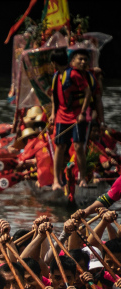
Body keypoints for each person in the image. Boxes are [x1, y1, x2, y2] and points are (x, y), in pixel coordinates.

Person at [50, 48, 93, 190]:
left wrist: (82, 113)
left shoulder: (74, 75)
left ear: (54, 62)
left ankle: (82, 179)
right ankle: (56, 181)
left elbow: (87, 93)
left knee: (78, 147)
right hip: (61, 116)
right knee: (60, 147)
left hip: (75, 116)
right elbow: (54, 98)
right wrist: (52, 114)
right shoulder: (56, 76)